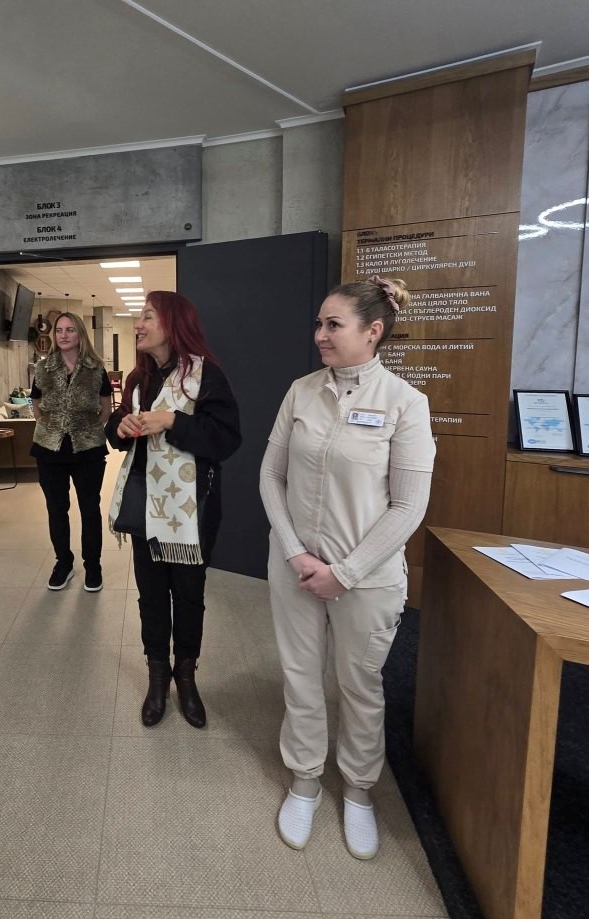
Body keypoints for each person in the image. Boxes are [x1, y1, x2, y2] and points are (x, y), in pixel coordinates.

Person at [259, 276, 435, 858]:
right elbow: (271, 476)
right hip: (295, 567)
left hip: (368, 578)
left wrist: (345, 572)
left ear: (373, 331)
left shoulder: (405, 404)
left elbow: (408, 507)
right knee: (301, 676)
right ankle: (305, 778)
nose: (320, 334)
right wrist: (295, 552)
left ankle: (359, 790)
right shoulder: (301, 392)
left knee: (360, 685)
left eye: (333, 324)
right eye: (319, 323)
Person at [106, 291, 241, 729]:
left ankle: (186, 676)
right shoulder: (138, 378)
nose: (138, 325)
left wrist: (173, 421)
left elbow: (226, 438)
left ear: (173, 323)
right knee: (150, 595)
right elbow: (116, 425)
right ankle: (157, 676)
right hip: (144, 504)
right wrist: (122, 426)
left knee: (188, 595)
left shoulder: (207, 375)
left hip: (190, 514)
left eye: (147, 317)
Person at [31, 312, 113, 592]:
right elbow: (37, 406)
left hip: (87, 448)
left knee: (89, 508)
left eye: (70, 330)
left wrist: (85, 427)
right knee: (57, 509)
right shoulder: (43, 368)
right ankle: (63, 563)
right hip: (49, 448)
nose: (63, 335)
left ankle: (93, 565)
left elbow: (105, 408)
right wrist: (53, 426)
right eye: (59, 330)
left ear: (80, 334)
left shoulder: (96, 369)